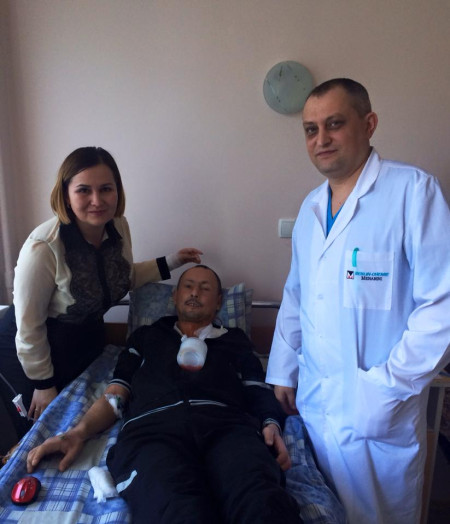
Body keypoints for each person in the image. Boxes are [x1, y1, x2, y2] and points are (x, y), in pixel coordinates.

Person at [265, 78, 450, 524]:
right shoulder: (311, 208)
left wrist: (387, 388)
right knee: (320, 511)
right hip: (316, 402)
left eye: (334, 124)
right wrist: (283, 369)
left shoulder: (412, 192)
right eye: (311, 129)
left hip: (378, 408)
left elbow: (442, 304)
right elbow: (296, 294)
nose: (321, 139)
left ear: (369, 124)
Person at [27, 265, 302, 524]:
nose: (195, 293)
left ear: (219, 301)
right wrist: (76, 434)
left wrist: (271, 423)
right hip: (152, 433)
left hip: (229, 430)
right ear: (175, 296)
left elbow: (257, 388)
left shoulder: (235, 340)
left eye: (205, 288)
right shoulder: (147, 336)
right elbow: (116, 394)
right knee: (174, 509)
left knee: (261, 502)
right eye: (188, 286)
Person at [0, 146, 202, 440]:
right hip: (31, 351)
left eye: (106, 189)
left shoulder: (118, 227)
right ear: (66, 195)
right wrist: (43, 384)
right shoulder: (44, 247)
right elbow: (29, 327)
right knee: (36, 432)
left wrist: (172, 261)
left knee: (78, 427)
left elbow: (121, 276)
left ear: (117, 191)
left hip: (84, 339)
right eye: (84, 190)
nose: (97, 200)